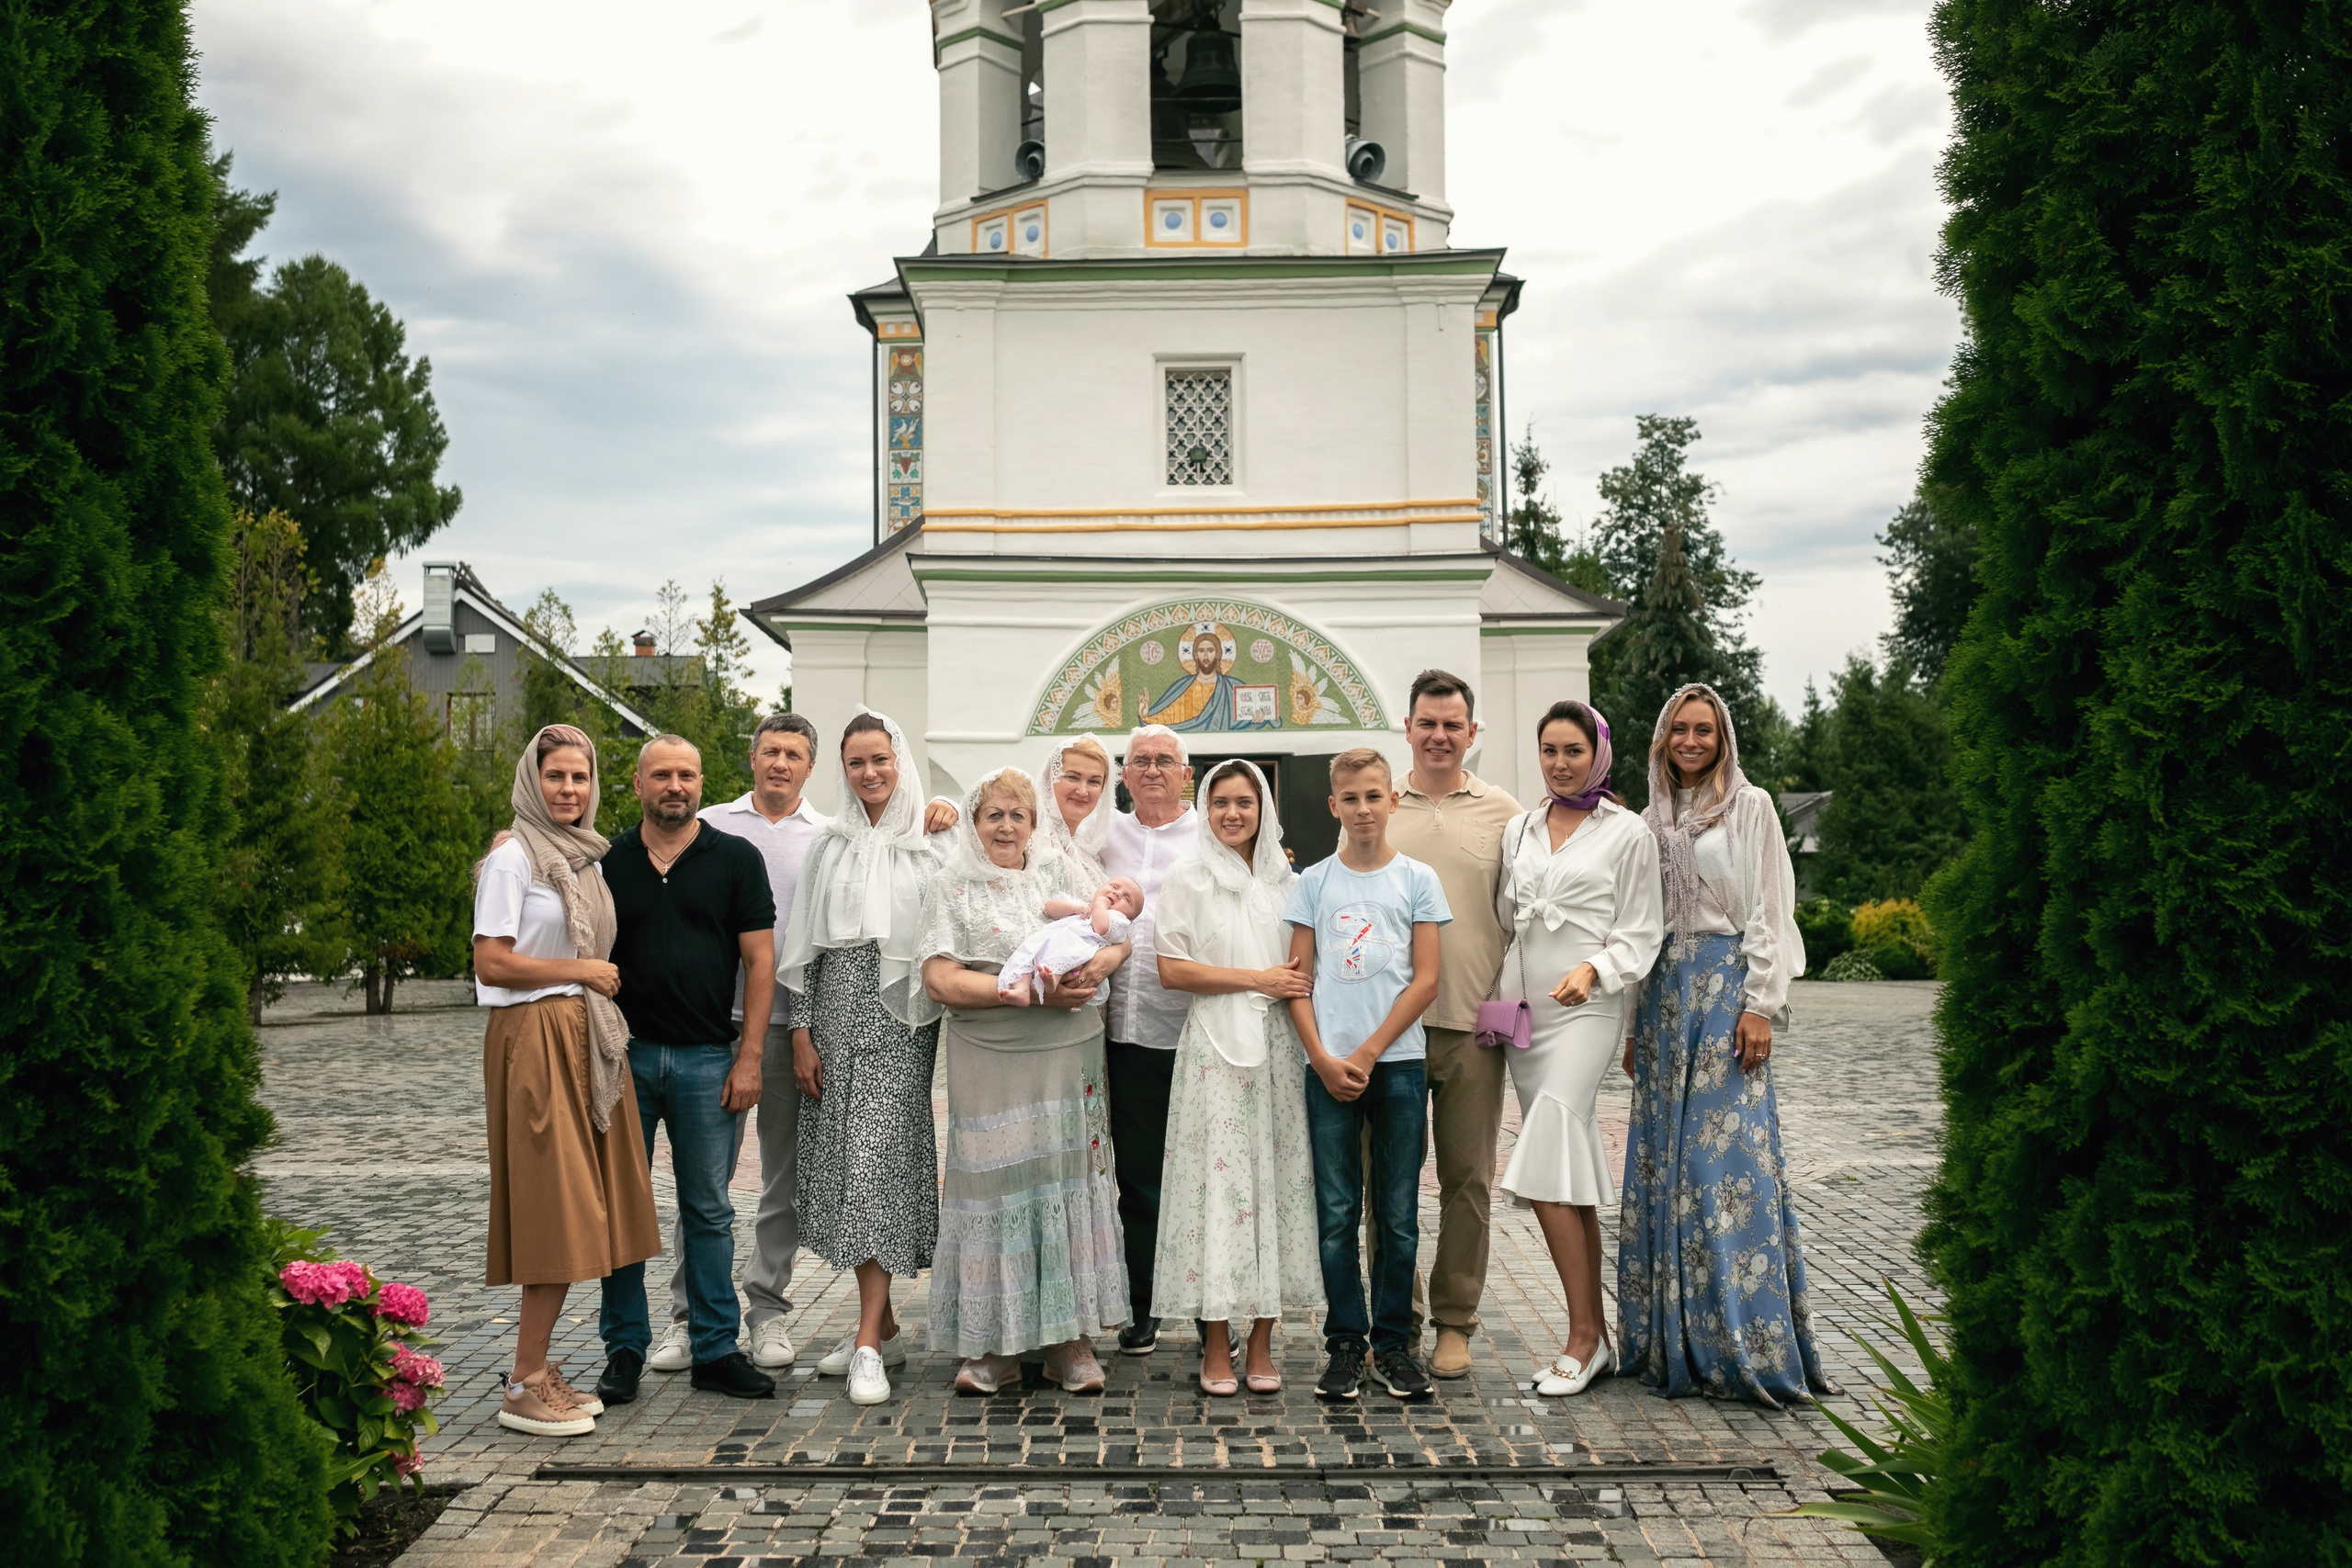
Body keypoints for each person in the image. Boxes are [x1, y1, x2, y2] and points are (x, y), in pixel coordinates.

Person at [1618, 682, 1835, 1408]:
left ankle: (1746, 1346)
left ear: (1723, 738)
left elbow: (1773, 904)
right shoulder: (1648, 820)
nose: (1690, 740)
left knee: (1724, 1165)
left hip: (1725, 988)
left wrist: (1762, 1004)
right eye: (1679, 728)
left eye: (1704, 730)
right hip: (1660, 997)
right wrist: (1629, 1025)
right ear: (1661, 738)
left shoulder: (1753, 808)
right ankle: (1667, 1343)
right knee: (1663, 1166)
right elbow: (1637, 925)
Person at [473, 725, 662, 1438]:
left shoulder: (583, 859)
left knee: (587, 1208)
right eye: (556, 776)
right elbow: (492, 961)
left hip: (583, 1035)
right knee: (555, 1206)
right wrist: (579, 971)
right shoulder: (514, 857)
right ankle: (523, 1380)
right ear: (533, 778)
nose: (569, 790)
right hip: (534, 1037)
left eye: (580, 778)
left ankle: (536, 1365)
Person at [921, 767, 1132, 1395]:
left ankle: (1069, 1341)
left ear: (1034, 824)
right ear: (974, 822)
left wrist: (1096, 964)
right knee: (998, 1185)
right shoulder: (950, 885)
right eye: (994, 815)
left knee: (1061, 1181)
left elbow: (1118, 936)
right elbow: (939, 979)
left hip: (1067, 1054)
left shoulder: (1062, 875)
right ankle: (995, 1345)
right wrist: (1028, 993)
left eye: (1019, 814)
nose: (1007, 825)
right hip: (991, 1054)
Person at [593, 735, 779, 1406]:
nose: (676, 785)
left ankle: (715, 1348)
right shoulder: (605, 862)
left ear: (702, 783)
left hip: (708, 1057)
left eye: (687, 774)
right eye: (662, 774)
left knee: (708, 1209)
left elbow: (761, 964)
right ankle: (623, 1347)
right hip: (623, 1058)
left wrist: (750, 1057)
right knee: (621, 1207)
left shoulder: (734, 858)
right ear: (638, 782)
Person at [775, 708, 950, 1406]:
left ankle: (868, 1344)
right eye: (857, 762)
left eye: (881, 759)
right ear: (843, 770)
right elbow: (806, 949)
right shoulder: (829, 844)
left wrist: (952, 812)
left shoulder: (931, 842)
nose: (871, 772)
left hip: (902, 1018)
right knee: (847, 1165)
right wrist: (800, 1031)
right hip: (834, 1013)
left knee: (877, 1160)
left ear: (900, 761)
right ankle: (885, 1322)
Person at [1493, 701, 1662, 1397]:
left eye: (1573, 750)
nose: (1561, 763)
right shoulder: (1520, 828)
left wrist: (1594, 968)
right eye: (1550, 750)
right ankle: (1597, 1336)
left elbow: (1643, 929)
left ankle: (1582, 1339)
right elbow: (1507, 918)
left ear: (1598, 753)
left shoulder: (1627, 833)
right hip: (1523, 1014)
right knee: (1567, 1173)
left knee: (1547, 1149)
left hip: (1586, 1009)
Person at [1150, 760, 1323, 1396]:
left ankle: (1262, 1339)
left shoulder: (1289, 881)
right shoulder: (1188, 876)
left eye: (1244, 802)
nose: (1231, 813)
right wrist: (1257, 979)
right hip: (1213, 1050)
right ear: (1205, 806)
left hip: (1280, 1047)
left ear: (1263, 808)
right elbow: (1174, 969)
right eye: (1220, 801)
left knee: (1275, 1183)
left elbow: (1302, 968)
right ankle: (1216, 1340)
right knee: (1216, 1192)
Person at [1284, 748, 1450, 1402]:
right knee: (1335, 1211)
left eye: (1373, 796)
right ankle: (1345, 1343)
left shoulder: (1417, 879)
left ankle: (1393, 1343)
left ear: (1393, 800)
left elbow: (1426, 978)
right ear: (1334, 806)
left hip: (1399, 1064)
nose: (1362, 808)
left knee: (1398, 1211)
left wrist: (1372, 1050)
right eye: (1350, 798)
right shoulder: (1314, 883)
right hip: (1326, 1067)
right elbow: (1297, 980)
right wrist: (1325, 1057)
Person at [1384, 669, 1524, 1380]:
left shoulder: (1505, 812)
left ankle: (1454, 1320)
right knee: (1391, 1182)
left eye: (1452, 724)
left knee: (1468, 1178)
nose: (1439, 735)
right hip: (1390, 1028)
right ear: (1407, 728)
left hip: (1474, 1026)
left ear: (1472, 733)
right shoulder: (1379, 807)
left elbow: (1524, 920)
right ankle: (1394, 1318)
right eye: (1427, 722)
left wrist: (1511, 1013)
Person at [1096, 724, 1198, 1355]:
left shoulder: (1212, 832)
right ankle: (1144, 1303)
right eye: (1141, 761)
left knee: (1202, 1175)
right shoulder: (1103, 833)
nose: (1153, 769)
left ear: (1186, 773)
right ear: (1125, 774)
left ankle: (1216, 1309)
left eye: (1165, 760)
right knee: (1136, 1177)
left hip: (1192, 1028)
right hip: (1118, 1032)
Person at [998, 877, 1145, 1006]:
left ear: (1130, 918)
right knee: (1024, 959)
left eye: (1126, 899)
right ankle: (1021, 991)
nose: (1118, 893)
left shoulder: (1119, 921)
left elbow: (1101, 928)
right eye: (1114, 887)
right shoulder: (1083, 906)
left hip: (1077, 949)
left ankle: (1052, 981)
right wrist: (1073, 908)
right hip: (1045, 942)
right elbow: (1049, 908)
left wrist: (1100, 904)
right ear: (1098, 890)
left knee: (1065, 957)